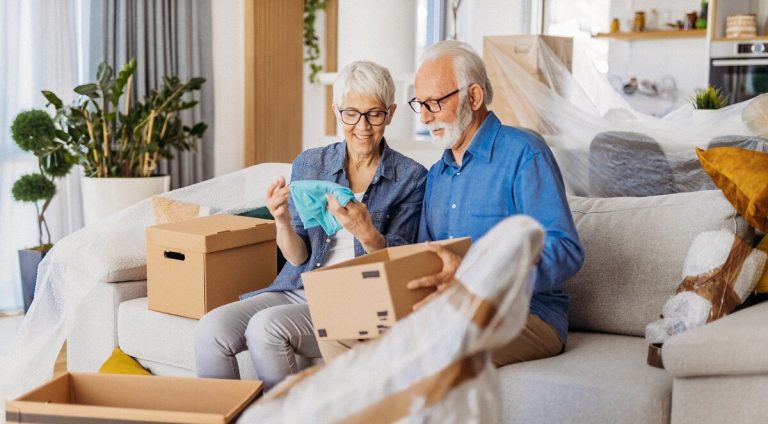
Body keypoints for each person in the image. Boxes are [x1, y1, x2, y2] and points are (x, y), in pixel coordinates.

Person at [194, 61, 427, 390]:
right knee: (210, 329)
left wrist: (368, 233)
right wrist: (282, 221)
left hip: (358, 299)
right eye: (351, 113)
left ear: (390, 113)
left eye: (374, 114)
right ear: (336, 111)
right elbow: (298, 257)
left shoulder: (411, 177)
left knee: (265, 328)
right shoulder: (310, 163)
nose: (362, 126)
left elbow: (403, 264)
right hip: (298, 288)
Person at [406, 40, 584, 365]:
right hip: (453, 312)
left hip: (527, 313)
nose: (426, 118)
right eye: (420, 105)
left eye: (434, 103)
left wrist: (485, 276)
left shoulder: (524, 153)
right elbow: (426, 258)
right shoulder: (436, 176)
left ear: (473, 97)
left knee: (431, 353)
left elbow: (566, 249)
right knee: (358, 344)